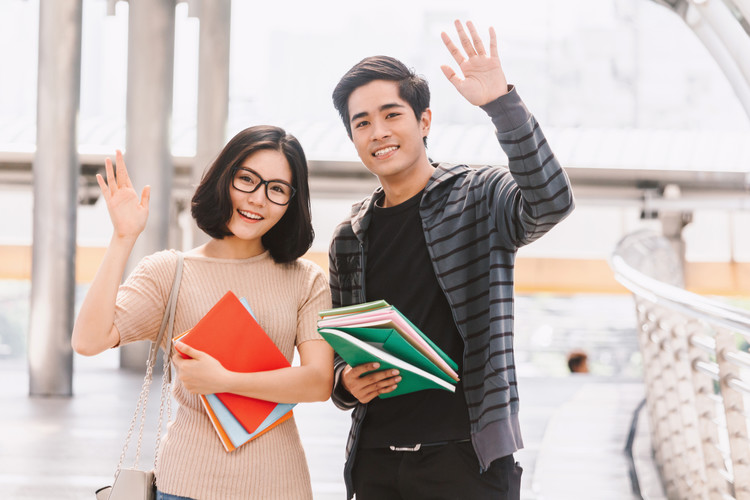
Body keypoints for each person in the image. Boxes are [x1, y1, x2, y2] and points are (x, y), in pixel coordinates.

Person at [327, 20, 575, 500]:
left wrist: (502, 104)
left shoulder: (479, 194)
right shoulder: (348, 237)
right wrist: (344, 382)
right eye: (362, 123)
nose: (378, 132)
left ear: (423, 121)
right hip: (375, 463)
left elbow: (551, 202)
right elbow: (346, 350)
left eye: (391, 114)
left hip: (466, 461)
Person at [71, 125, 334, 500]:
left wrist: (224, 379)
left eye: (276, 189)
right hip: (186, 486)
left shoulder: (305, 279)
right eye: (247, 180)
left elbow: (318, 381)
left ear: (291, 202)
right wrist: (123, 238)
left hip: (280, 485)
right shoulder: (170, 271)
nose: (258, 199)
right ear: (224, 180)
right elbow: (87, 340)